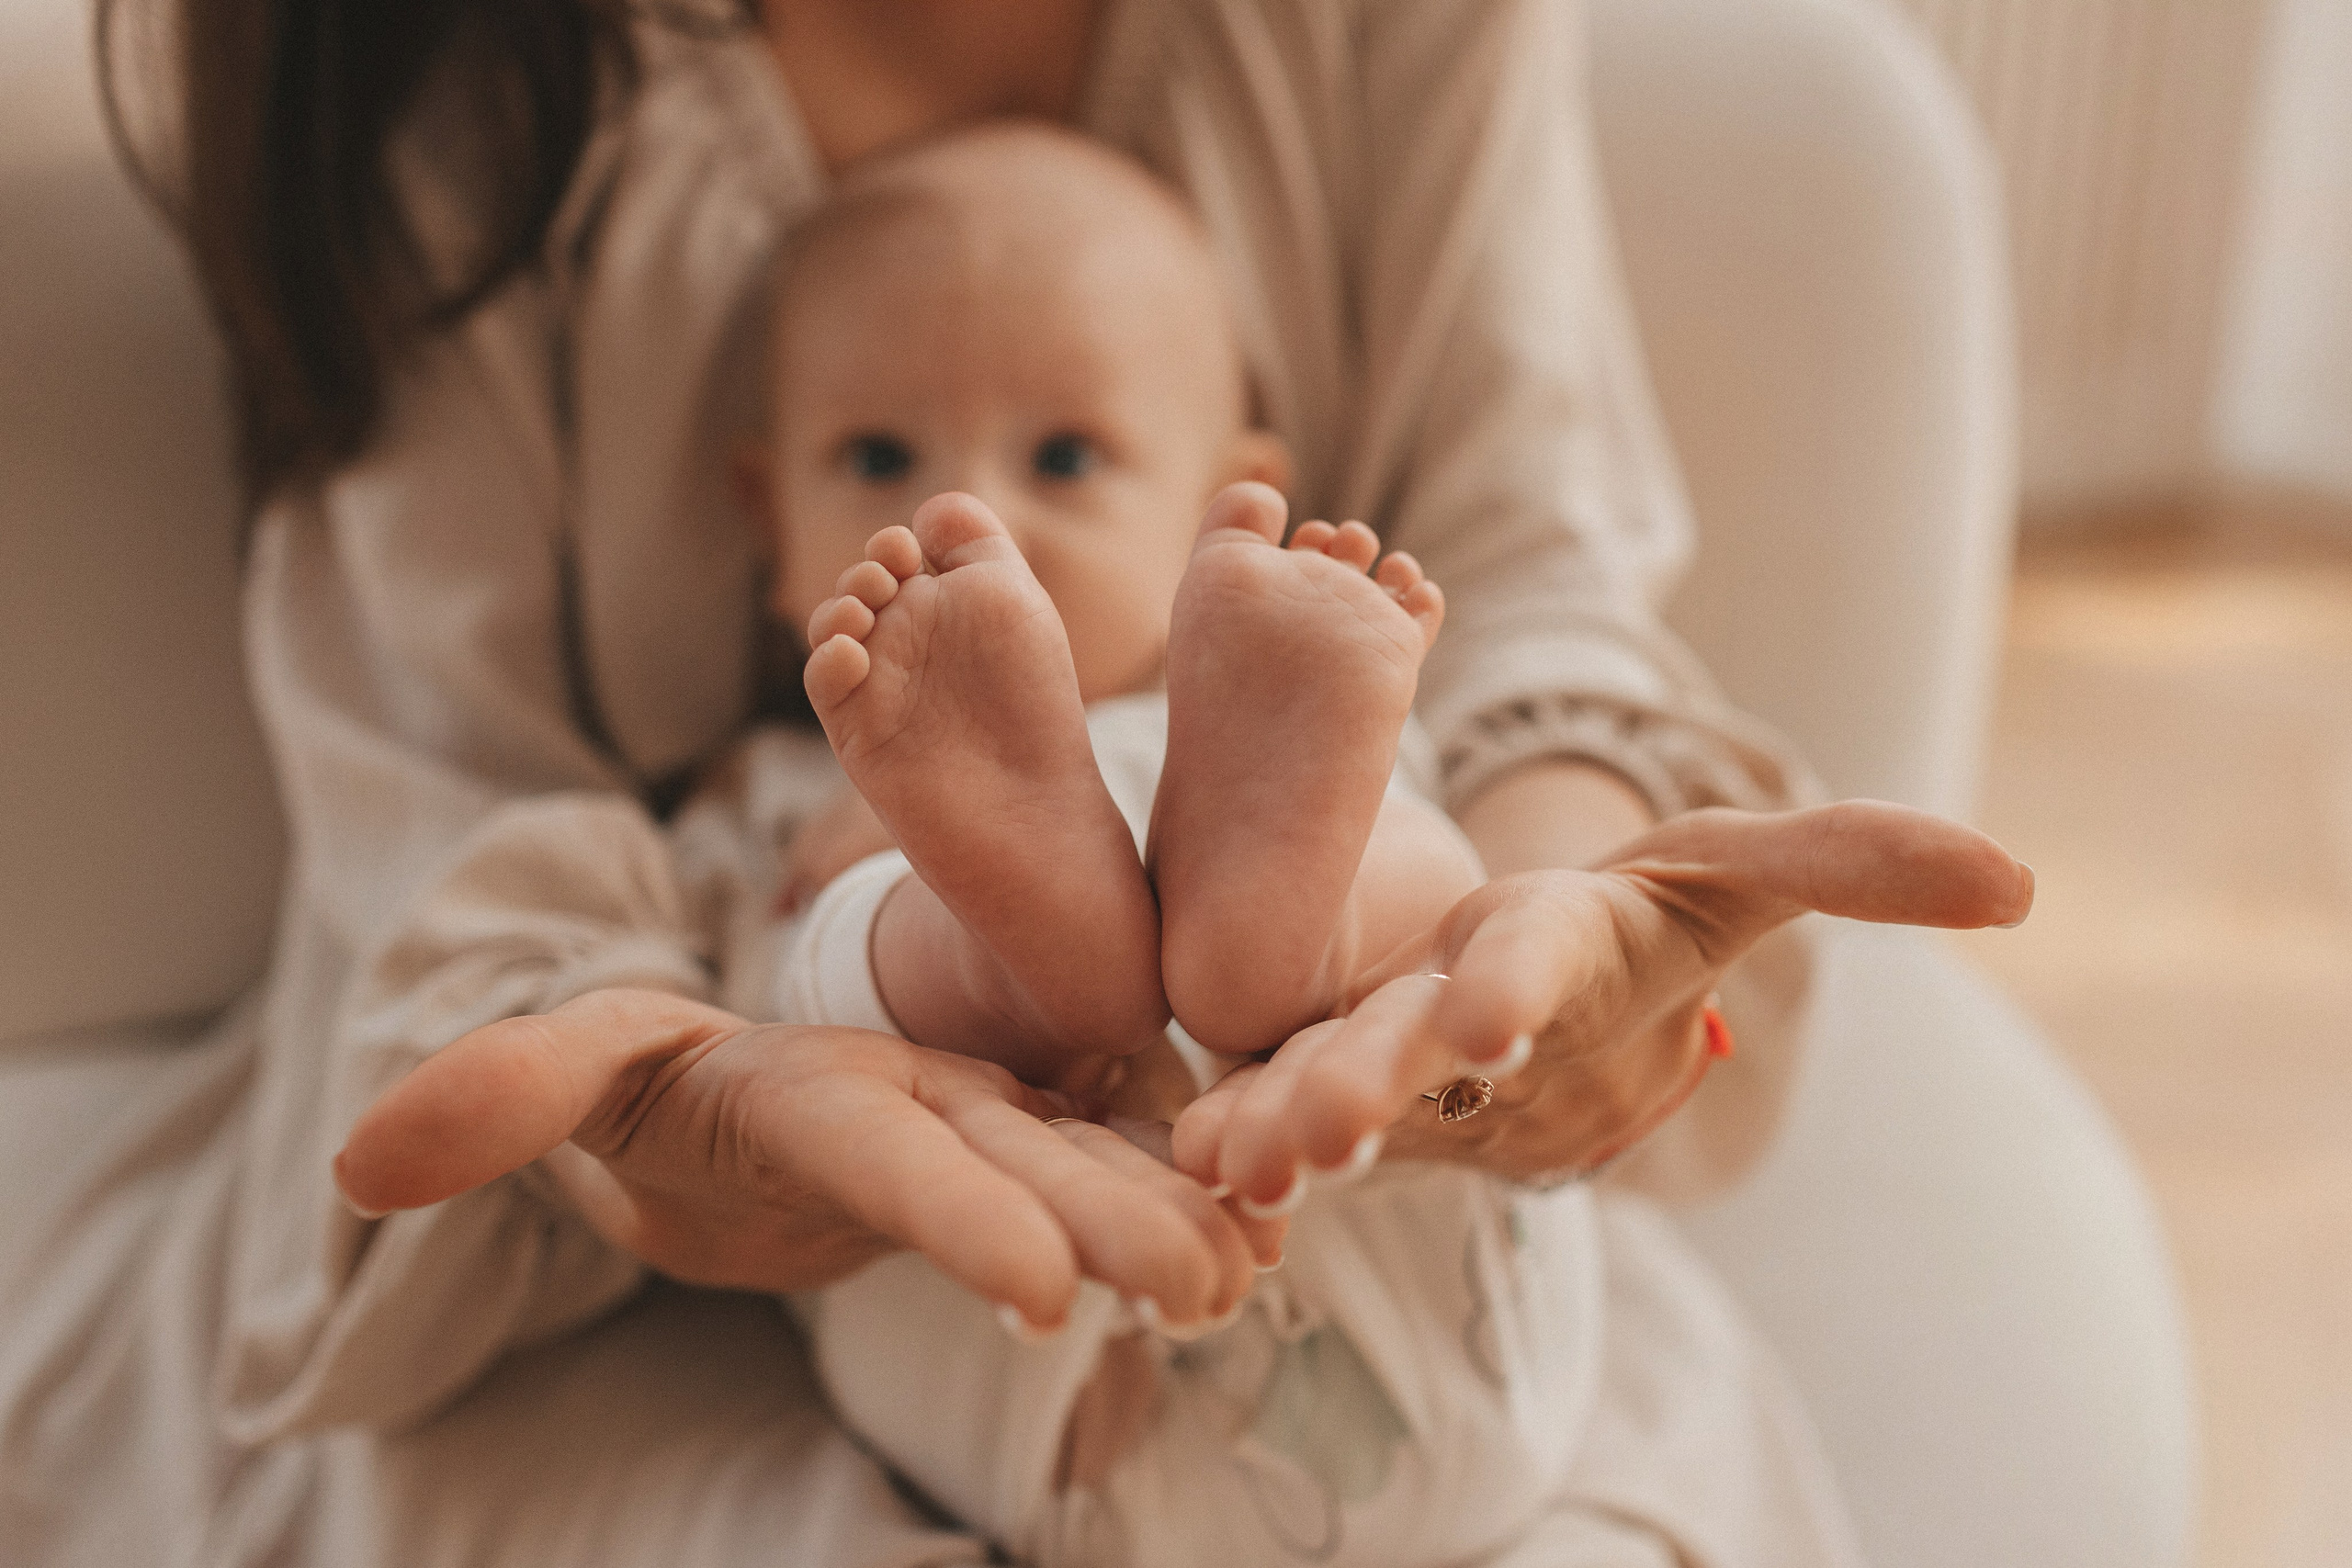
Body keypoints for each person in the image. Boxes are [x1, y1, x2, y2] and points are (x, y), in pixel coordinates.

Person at [9, 2, 2026, 1564]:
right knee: (832, 927)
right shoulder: (436, 85)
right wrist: (661, 1101)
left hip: (1317, 1107)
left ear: (1238, 446)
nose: (977, 506)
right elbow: (459, 828)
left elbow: (1534, 579)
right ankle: (1118, 929)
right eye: (879, 460)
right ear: (758, 507)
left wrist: (1567, 895)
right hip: (801, 1107)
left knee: (1363, 897)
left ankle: (1216, 920)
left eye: (1073, 455)